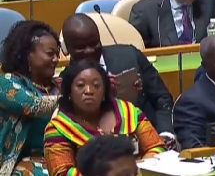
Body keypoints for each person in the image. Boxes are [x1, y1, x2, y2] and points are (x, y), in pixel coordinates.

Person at [60, 14, 175, 148]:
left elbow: (162, 98)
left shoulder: (130, 56)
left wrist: (165, 134)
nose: (90, 51)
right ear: (66, 49)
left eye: (95, 43)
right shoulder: (66, 81)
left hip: (151, 141)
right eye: (81, 47)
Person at [44, 59, 165, 175]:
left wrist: (137, 170)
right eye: (80, 86)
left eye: (96, 86)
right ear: (69, 93)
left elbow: (156, 147)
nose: (89, 91)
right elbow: (62, 173)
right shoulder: (58, 128)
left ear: (104, 92)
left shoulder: (128, 112)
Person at [0, 20, 60, 175]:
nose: (56, 59)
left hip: (62, 154)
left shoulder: (59, 86)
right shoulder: (7, 82)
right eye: (50, 54)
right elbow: (33, 105)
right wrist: (71, 98)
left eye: (57, 54)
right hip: (22, 161)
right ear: (28, 55)